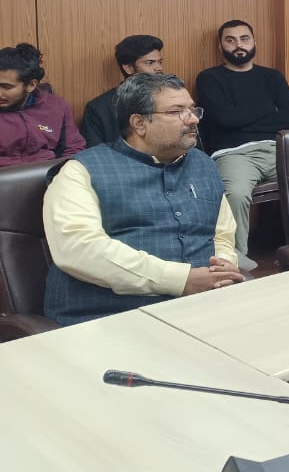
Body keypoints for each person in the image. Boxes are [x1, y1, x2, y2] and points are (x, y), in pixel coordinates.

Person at [42, 73, 243, 326]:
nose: (193, 119)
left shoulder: (204, 164)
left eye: (193, 110)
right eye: (176, 112)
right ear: (139, 123)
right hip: (107, 316)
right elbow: (79, 248)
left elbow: (221, 233)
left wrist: (223, 267)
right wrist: (181, 280)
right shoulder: (81, 171)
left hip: (204, 307)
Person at [195, 20, 289, 266]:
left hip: (278, 149)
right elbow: (224, 119)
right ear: (220, 46)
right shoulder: (209, 78)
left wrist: (239, 118)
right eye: (230, 40)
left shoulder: (272, 77)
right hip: (234, 154)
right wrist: (268, 111)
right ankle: (237, 261)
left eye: (244, 38)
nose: (238, 45)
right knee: (236, 194)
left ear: (254, 42)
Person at [0, 42, 85, 167]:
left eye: (6, 87)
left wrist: (60, 174)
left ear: (31, 85)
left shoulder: (56, 106)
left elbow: (73, 149)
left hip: (50, 173)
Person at [82, 34, 165, 147]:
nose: (159, 68)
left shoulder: (172, 99)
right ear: (128, 68)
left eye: (160, 62)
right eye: (150, 63)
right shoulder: (99, 108)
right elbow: (95, 153)